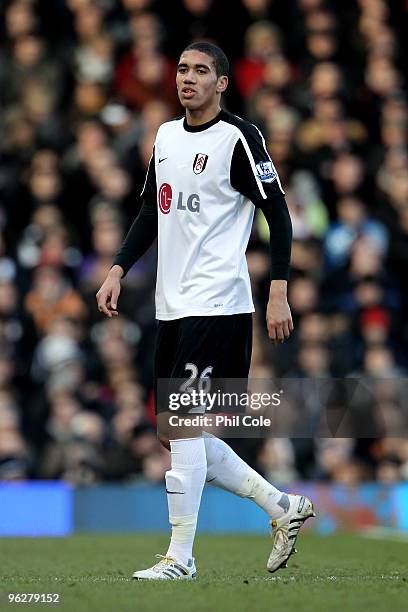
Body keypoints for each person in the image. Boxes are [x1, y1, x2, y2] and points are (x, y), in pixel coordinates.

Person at [96, 42, 315, 580]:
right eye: (181, 70)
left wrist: (279, 287)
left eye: (200, 71)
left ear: (222, 83)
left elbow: (278, 213)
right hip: (172, 305)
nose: (187, 79)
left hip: (217, 302)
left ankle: (181, 557)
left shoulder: (238, 138)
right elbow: (152, 208)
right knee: (176, 434)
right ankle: (282, 507)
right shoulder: (167, 137)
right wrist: (119, 268)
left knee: (187, 428)